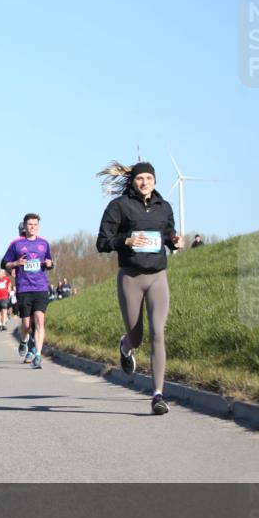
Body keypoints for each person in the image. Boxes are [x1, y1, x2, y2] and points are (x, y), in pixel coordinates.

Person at [96, 161, 183, 415]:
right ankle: (126, 345)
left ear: (155, 181)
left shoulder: (164, 207)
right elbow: (102, 242)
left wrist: (175, 241)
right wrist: (127, 240)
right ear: (133, 182)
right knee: (137, 336)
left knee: (158, 333)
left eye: (148, 178)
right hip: (130, 277)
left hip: (158, 276)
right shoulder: (119, 206)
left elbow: (168, 235)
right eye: (139, 179)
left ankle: (158, 394)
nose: (144, 182)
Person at [3, 213, 54, 369]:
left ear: (38, 226)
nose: (33, 227)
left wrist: (50, 263)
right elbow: (5, 264)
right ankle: (24, 340)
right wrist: (16, 263)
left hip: (40, 287)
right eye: (30, 224)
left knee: (39, 320)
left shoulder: (44, 243)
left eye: (35, 224)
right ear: (24, 226)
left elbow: (50, 262)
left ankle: (38, 355)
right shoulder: (16, 244)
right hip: (24, 287)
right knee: (26, 323)